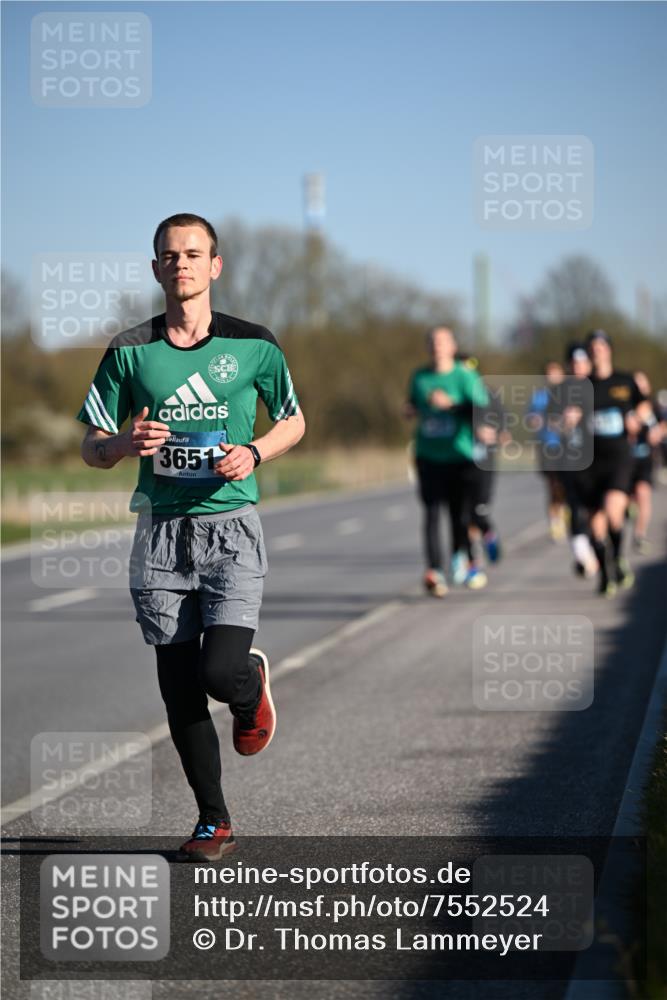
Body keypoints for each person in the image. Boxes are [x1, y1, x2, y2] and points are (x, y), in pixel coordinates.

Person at [77, 213, 305, 859]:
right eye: (169, 256)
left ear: (215, 266)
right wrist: (123, 443)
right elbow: (91, 446)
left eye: (192, 253)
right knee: (177, 689)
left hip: (230, 528)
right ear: (156, 269)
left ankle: (247, 685)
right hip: (160, 534)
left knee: (218, 670)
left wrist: (255, 453)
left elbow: (292, 420)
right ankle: (213, 820)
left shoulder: (254, 344)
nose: (181, 264)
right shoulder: (128, 350)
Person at [405, 327, 489, 595]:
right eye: (432, 341)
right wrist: (411, 409)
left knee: (458, 513)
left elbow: (482, 410)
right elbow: (413, 403)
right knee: (430, 513)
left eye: (442, 342)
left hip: (460, 456)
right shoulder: (420, 377)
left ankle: (458, 558)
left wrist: (450, 405)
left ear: (453, 346)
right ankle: (434, 571)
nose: (436, 346)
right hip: (428, 455)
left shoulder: (465, 376)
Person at [574, 330, 647, 596]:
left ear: (609, 349)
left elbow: (643, 406)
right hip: (590, 462)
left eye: (601, 346)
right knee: (595, 525)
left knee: (614, 512)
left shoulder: (624, 381)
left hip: (619, 457)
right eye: (592, 347)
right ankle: (606, 574)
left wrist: (636, 418)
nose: (597, 351)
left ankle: (616, 557)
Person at [558, 343, 598, 578]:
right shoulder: (560, 391)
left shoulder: (598, 386)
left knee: (596, 508)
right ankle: (582, 555)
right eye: (573, 363)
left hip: (598, 459)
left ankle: (597, 548)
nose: (578, 367)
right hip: (571, 458)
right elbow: (547, 421)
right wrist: (563, 422)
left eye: (582, 362)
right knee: (575, 506)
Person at [525, 361, 568, 541]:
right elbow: (530, 418)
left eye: (556, 372)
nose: (552, 376)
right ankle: (555, 520)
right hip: (547, 446)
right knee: (552, 485)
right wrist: (535, 420)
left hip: (567, 447)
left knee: (567, 484)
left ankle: (565, 510)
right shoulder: (539, 397)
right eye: (549, 373)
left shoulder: (568, 395)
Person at [628, 370, 665, 553]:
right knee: (625, 500)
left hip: (644, 459)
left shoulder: (654, 408)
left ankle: (639, 535)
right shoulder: (625, 406)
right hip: (624, 461)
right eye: (637, 383)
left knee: (643, 495)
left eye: (643, 383)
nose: (641, 387)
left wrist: (658, 432)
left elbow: (663, 425)